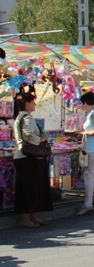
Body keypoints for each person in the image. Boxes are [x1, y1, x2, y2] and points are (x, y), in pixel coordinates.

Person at [13, 92, 52, 228]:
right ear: (27, 103)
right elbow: (28, 136)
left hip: (25, 157)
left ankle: (32, 215)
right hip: (28, 158)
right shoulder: (27, 118)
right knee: (28, 188)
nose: (35, 104)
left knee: (31, 187)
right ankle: (25, 218)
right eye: (33, 102)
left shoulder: (20, 117)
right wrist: (41, 139)